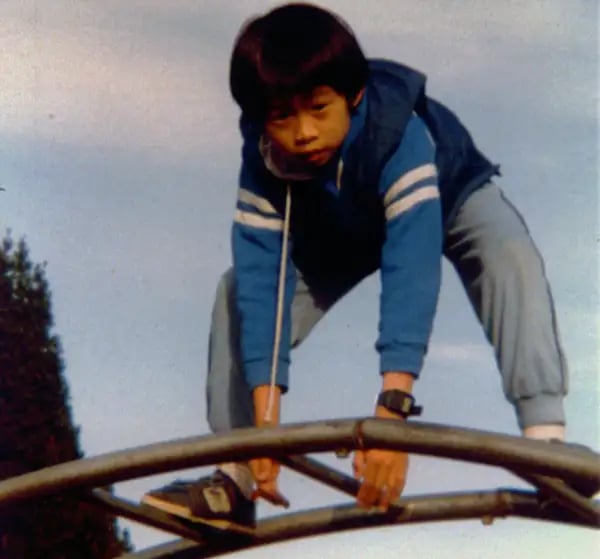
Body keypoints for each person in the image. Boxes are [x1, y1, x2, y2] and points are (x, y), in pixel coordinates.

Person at [142, 2, 568, 528]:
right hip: (340, 226)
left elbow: (410, 272)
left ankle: (548, 445)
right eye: (282, 117)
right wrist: (265, 430)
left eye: (319, 110)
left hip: (447, 195)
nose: (302, 134)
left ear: (355, 95)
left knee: (509, 254)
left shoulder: (398, 132)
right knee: (234, 293)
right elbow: (263, 287)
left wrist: (392, 418)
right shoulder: (264, 161)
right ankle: (235, 479)